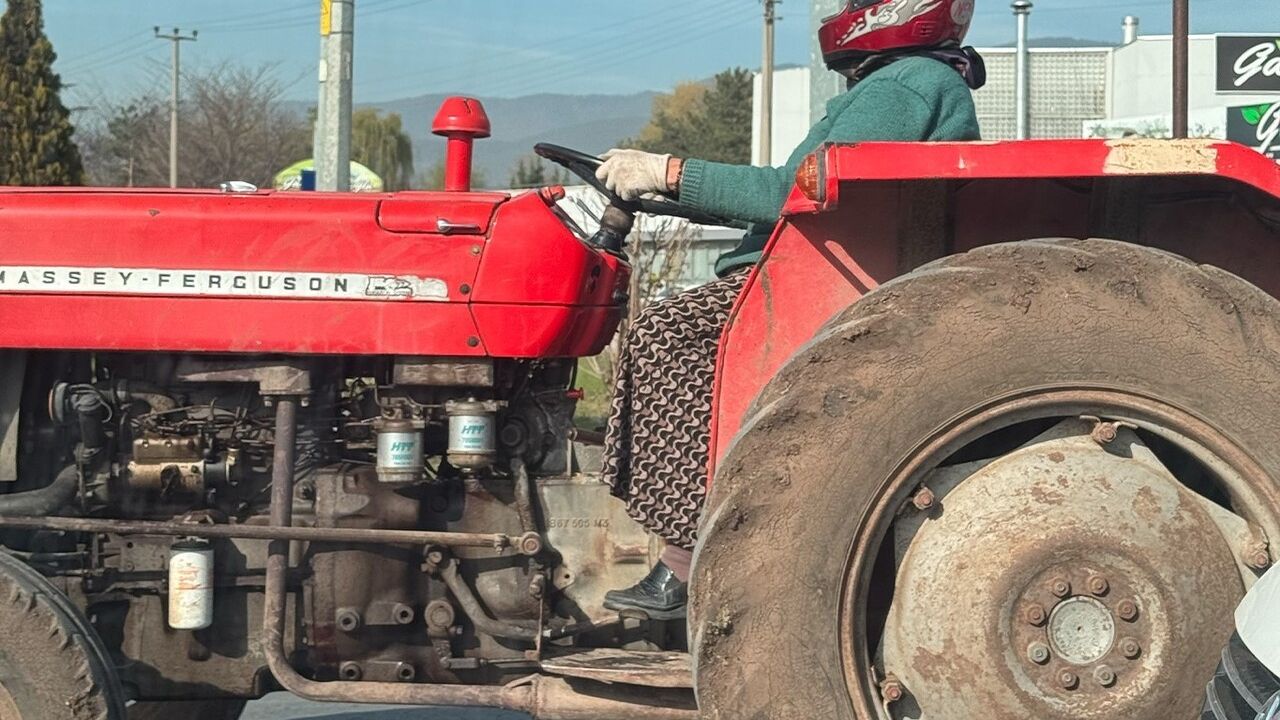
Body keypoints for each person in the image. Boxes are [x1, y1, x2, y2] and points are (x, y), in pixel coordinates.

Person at [596, 0, 985, 619]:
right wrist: (666, 189)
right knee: (670, 328)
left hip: (816, 280)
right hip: (812, 266)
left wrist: (669, 172)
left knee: (669, 335)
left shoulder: (907, 84)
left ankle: (687, 560)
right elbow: (788, 190)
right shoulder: (909, 81)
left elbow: (792, 191)